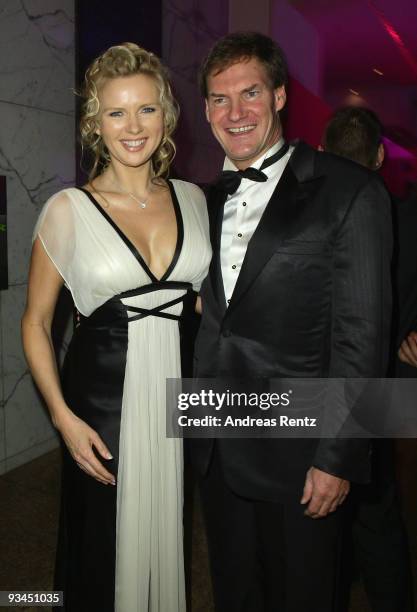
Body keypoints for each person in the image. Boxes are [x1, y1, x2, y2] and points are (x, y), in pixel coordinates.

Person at [190, 32, 392, 612]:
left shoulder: (350, 190)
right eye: (219, 99)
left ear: (279, 95)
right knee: (234, 590)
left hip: (299, 448)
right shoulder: (198, 201)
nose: (235, 113)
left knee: (303, 595)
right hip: (212, 440)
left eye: (250, 93)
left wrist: (337, 456)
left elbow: (362, 338)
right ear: (204, 109)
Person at [21, 42, 211, 612]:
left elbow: (203, 303)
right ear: (94, 122)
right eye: (116, 112)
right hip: (100, 406)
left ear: (167, 116)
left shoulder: (194, 199)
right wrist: (62, 418)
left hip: (174, 399)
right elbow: (34, 321)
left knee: (166, 528)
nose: (134, 127)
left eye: (147, 109)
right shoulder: (67, 209)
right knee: (100, 544)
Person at [322, 105, 414, 612]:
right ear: (379, 155)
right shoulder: (409, 216)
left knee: (334, 507)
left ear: (320, 153)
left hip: (328, 382)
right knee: (376, 508)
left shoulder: (308, 217)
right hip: (385, 384)